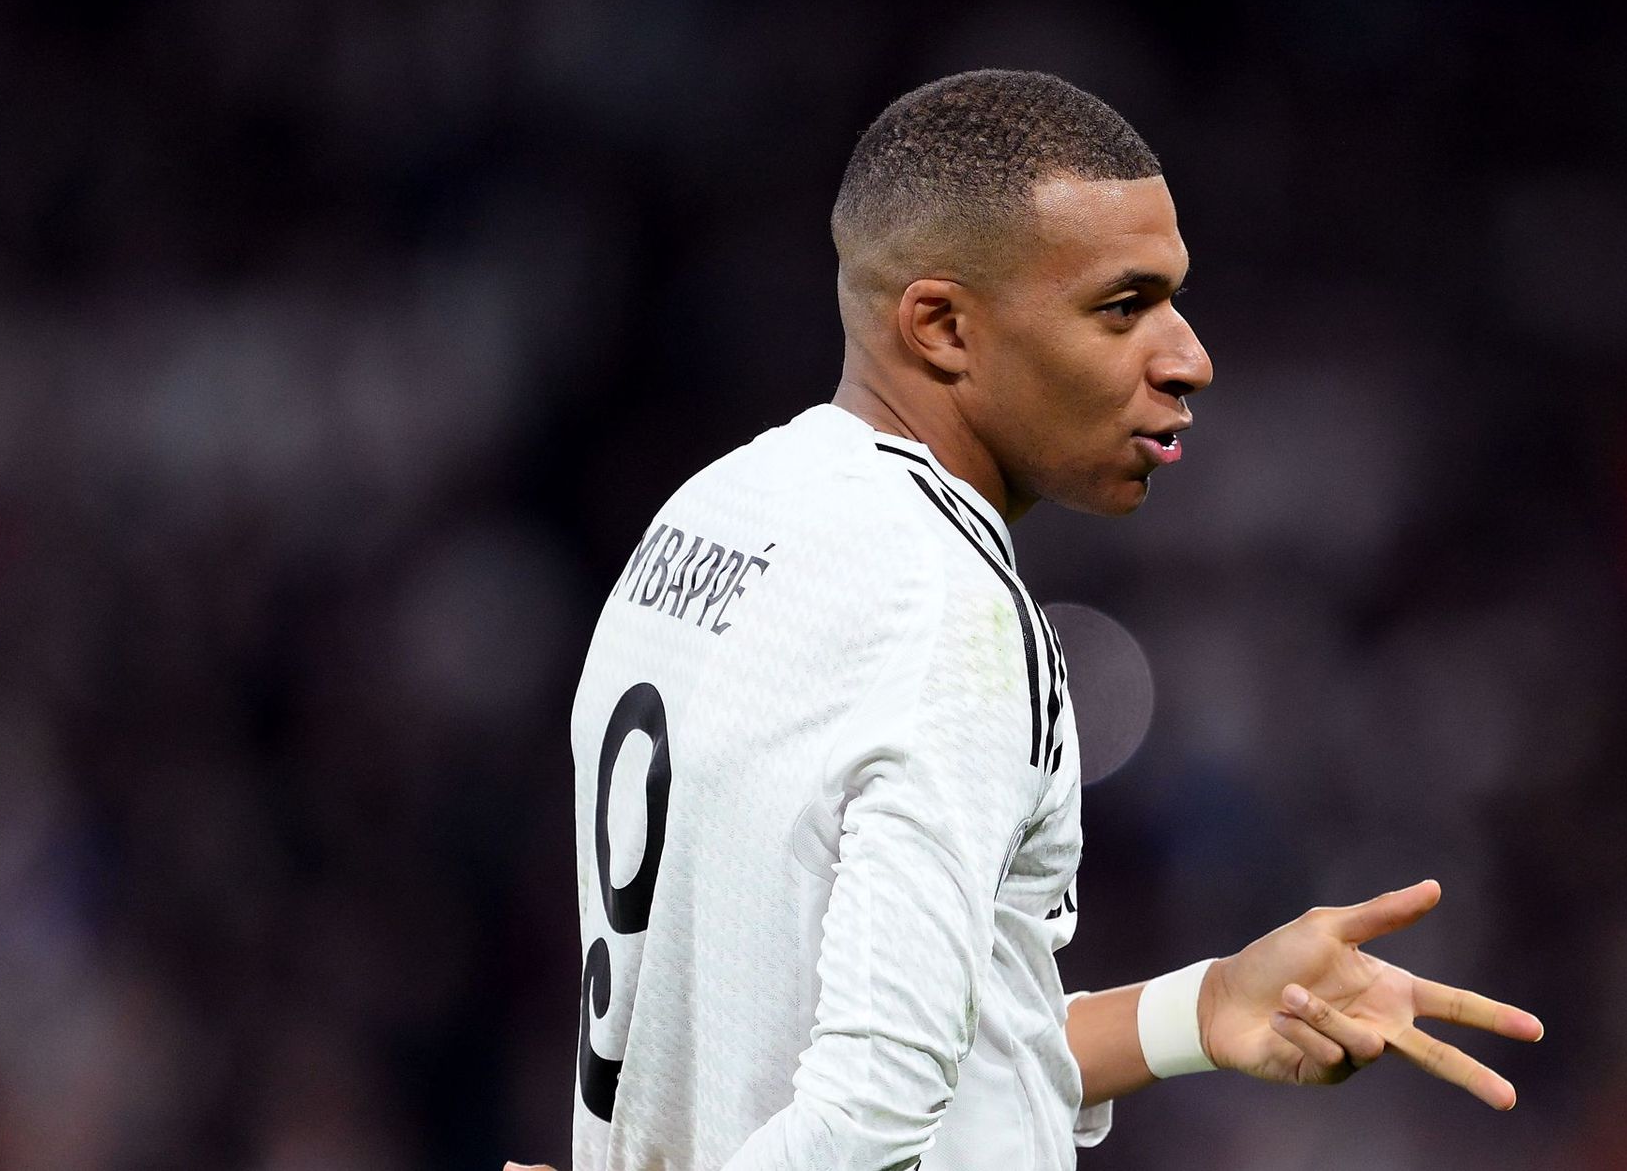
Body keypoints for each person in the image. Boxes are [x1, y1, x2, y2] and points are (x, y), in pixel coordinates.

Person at [532, 69, 1542, 1171]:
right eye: (1123, 307)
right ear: (942, 326)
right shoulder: (941, 603)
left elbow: (894, 1045)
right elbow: (871, 1114)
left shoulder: (713, 515)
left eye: (1174, 299)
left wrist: (1202, 1008)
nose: (1189, 359)